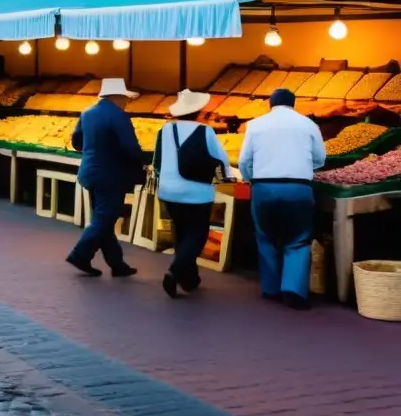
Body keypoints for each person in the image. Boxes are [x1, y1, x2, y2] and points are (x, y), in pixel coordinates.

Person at [238, 88, 326, 310]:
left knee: (265, 237)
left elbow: (243, 161)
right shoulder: (308, 125)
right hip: (298, 189)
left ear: (271, 104)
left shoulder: (255, 125)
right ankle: (293, 291)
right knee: (298, 239)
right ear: (293, 104)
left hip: (263, 188)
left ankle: (271, 289)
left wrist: (252, 180)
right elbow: (320, 159)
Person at [154, 89, 232, 299]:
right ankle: (175, 271)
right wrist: (229, 176)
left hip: (169, 191)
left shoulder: (165, 130)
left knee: (182, 232)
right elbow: (220, 158)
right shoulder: (205, 131)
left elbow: (157, 160)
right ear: (199, 111)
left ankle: (189, 279)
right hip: (196, 191)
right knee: (197, 234)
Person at [66, 78, 143, 278]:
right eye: (125, 98)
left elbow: (76, 142)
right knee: (104, 218)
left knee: (104, 218)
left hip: (89, 172)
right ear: (117, 97)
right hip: (111, 175)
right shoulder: (119, 116)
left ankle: (117, 264)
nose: (126, 102)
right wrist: (140, 163)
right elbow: (131, 147)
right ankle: (80, 254)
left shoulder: (87, 113)